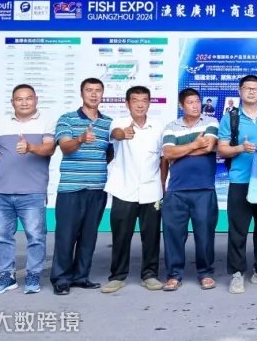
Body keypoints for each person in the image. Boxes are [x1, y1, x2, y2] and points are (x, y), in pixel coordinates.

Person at [0, 84, 56, 295]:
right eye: (19, 99)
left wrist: (30, 147)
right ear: (12, 102)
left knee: (36, 236)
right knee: (1, 236)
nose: (24, 102)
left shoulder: (47, 121)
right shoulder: (0, 123)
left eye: (28, 98)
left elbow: (49, 148)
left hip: (33, 191)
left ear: (36, 100)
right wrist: (5, 165)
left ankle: (33, 274)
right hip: (2, 191)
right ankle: (6, 276)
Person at [217, 75, 257, 294]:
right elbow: (222, 149)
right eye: (247, 88)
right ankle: (236, 273)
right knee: (238, 230)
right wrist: (240, 149)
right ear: (239, 91)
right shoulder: (231, 117)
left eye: (255, 88)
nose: (251, 91)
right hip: (240, 180)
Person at [51, 78, 112, 295]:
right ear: (81, 93)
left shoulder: (108, 123)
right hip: (71, 189)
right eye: (89, 90)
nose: (94, 94)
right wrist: (80, 139)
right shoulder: (67, 119)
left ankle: (81, 276)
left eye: (98, 90)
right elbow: (65, 147)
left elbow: (109, 153)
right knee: (66, 236)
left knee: (89, 236)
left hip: (97, 189)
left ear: (102, 94)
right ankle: (61, 279)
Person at [102, 86, 166, 293]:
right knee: (121, 236)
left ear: (149, 103)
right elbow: (116, 134)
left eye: (144, 100)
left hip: (151, 190)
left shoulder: (158, 127)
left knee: (151, 236)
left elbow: (163, 158)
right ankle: (117, 276)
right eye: (135, 100)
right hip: (124, 189)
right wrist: (123, 134)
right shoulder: (119, 123)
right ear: (127, 103)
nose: (140, 104)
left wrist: (163, 185)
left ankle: (150, 275)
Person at [161, 88, 220, 291]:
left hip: (204, 189)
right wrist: (194, 144)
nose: (195, 106)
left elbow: (208, 147)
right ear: (181, 105)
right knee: (173, 236)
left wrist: (181, 150)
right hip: (176, 190)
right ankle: (174, 275)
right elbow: (168, 153)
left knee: (205, 235)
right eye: (190, 102)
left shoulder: (211, 122)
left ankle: (206, 273)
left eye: (197, 101)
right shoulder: (171, 126)